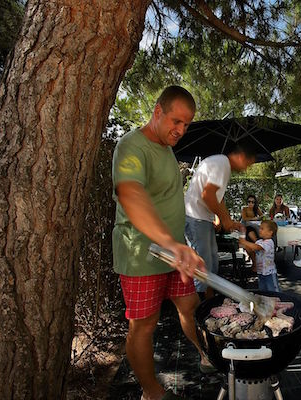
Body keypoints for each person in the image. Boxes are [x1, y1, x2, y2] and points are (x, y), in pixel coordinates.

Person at [112, 85, 209, 400]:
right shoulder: (131, 146)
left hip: (174, 252)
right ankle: (151, 392)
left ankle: (206, 353)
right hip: (141, 253)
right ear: (157, 112)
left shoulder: (167, 148)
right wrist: (171, 242)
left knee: (190, 305)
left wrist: (181, 244)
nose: (181, 130)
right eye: (176, 121)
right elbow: (130, 193)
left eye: (186, 125)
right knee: (144, 325)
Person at [185, 145, 256, 299]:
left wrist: (226, 220)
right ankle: (198, 311)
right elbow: (207, 195)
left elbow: (218, 198)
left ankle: (209, 303)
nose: (245, 169)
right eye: (248, 164)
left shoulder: (220, 163)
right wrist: (225, 219)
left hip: (203, 219)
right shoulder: (222, 164)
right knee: (203, 269)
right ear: (241, 157)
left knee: (212, 266)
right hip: (196, 218)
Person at [238, 220, 280, 292]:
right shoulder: (259, 241)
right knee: (263, 290)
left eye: (262, 228)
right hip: (261, 271)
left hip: (269, 272)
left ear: (270, 232)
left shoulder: (269, 242)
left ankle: (279, 301)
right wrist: (244, 244)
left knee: (273, 290)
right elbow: (252, 249)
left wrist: (245, 242)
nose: (259, 230)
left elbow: (257, 247)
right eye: (260, 228)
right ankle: (266, 301)